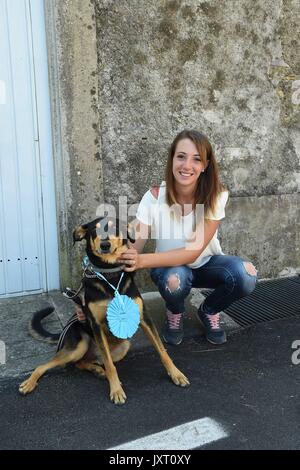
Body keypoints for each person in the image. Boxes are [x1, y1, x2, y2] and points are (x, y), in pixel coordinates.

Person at [77, 129, 258, 346]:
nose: (187, 165)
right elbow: (134, 244)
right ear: (172, 158)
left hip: (206, 264)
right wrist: (89, 287)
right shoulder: (154, 197)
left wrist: (141, 261)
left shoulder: (216, 194)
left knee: (246, 274)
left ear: (205, 165)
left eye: (196, 159)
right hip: (170, 271)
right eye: (181, 156)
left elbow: (193, 252)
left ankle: (209, 310)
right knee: (175, 280)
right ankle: (175, 310)